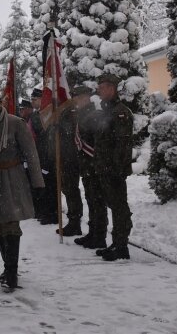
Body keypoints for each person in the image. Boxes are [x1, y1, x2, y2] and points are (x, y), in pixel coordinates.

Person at [0, 86, 44, 291]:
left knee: (11, 224)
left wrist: (37, 183)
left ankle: (11, 271)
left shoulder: (15, 123)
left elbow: (31, 153)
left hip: (13, 178)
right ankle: (7, 266)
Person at [92, 73, 134, 261]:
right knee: (113, 206)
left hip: (114, 170)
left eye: (102, 87)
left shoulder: (120, 112)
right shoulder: (107, 112)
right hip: (104, 169)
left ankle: (121, 245)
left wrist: (116, 169)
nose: (99, 91)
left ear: (111, 88)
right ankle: (116, 242)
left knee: (119, 207)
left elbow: (122, 145)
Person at [52, 85, 90, 237]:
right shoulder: (69, 111)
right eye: (74, 97)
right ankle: (73, 222)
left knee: (75, 191)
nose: (74, 100)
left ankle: (76, 222)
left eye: (78, 97)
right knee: (68, 189)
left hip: (78, 156)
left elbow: (75, 132)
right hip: (67, 156)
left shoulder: (87, 113)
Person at [72, 87, 106, 249]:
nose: (76, 101)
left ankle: (99, 236)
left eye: (78, 98)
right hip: (87, 166)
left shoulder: (93, 115)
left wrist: (95, 162)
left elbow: (95, 142)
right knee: (91, 200)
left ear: (86, 97)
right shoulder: (83, 114)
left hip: (94, 164)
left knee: (97, 201)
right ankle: (93, 232)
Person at [30, 88, 55, 223]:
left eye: (35, 99)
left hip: (48, 155)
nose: (32, 102)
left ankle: (52, 213)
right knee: (42, 186)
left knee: (50, 186)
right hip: (40, 154)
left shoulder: (49, 114)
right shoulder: (35, 115)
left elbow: (45, 135)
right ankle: (44, 211)